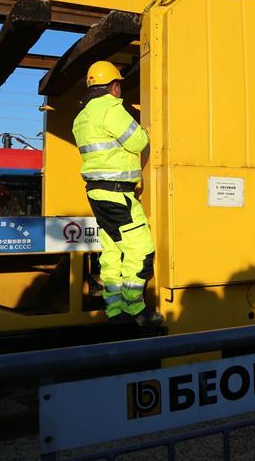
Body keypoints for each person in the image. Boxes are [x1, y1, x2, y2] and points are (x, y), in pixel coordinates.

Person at [72, 61, 163, 327]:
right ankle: (136, 309)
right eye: (119, 85)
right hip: (118, 194)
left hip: (97, 194)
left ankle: (114, 311)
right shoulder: (110, 108)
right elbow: (139, 141)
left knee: (112, 252)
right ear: (113, 86)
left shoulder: (81, 117)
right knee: (141, 251)